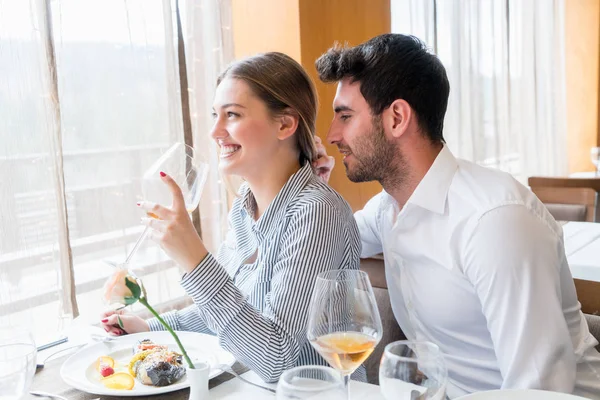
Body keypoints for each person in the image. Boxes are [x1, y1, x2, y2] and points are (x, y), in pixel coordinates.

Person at [312, 33, 600, 398]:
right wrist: (312, 189)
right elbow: (319, 238)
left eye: (345, 116)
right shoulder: (387, 209)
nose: (332, 134)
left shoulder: (494, 222)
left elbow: (538, 390)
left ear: (397, 118)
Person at [101, 52, 361, 382]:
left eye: (232, 115)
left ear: (284, 124)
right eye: (215, 115)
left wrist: (195, 259)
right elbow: (233, 312)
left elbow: (277, 359)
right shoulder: (243, 209)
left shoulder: (316, 212)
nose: (215, 132)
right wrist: (149, 326)